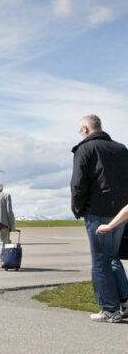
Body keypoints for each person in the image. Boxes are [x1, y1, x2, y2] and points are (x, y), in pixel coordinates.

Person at [71, 114, 128, 323]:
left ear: (85, 130)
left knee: (99, 262)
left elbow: (78, 183)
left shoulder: (84, 149)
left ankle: (109, 309)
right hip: (121, 212)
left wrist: (78, 208)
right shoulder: (121, 149)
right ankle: (125, 301)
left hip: (97, 211)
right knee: (112, 256)